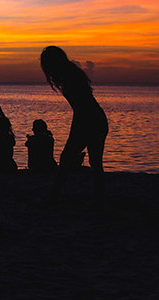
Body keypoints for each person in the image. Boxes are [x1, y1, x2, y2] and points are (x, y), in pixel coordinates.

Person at [40, 46, 109, 206]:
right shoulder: (70, 74)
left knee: (69, 159)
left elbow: (81, 108)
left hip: (89, 120)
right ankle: (98, 200)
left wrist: (75, 131)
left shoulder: (69, 77)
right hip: (95, 119)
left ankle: (53, 197)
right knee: (95, 162)